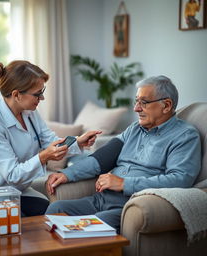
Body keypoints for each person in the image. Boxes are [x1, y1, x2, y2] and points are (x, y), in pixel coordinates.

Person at [45, 75, 201, 232]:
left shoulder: (184, 135)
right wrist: (67, 174)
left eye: (144, 102)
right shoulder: (134, 129)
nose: (136, 108)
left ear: (166, 105)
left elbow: (180, 179)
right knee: (56, 209)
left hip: (130, 206)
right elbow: (102, 158)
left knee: (91, 227)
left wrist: (124, 183)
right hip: (101, 199)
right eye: (136, 101)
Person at [0, 60, 101, 222]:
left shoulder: (29, 112)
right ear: (16, 95)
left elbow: (51, 141)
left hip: (16, 192)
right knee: (18, 231)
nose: (41, 97)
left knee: (52, 216)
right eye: (37, 93)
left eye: (42, 91)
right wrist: (43, 157)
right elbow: (13, 174)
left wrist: (78, 142)